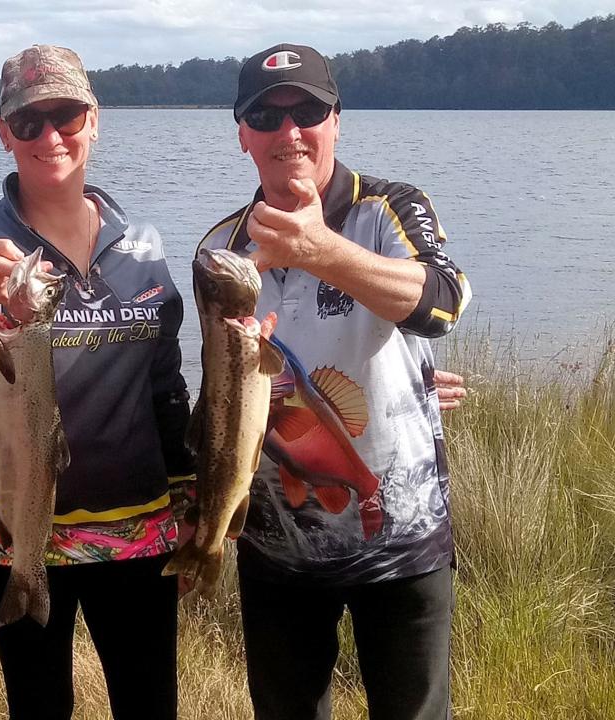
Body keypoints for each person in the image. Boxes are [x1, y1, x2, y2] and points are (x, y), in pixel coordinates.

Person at [197, 43, 471, 720]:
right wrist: (199, 502)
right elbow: (219, 393)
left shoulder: (391, 208)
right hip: (276, 549)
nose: (288, 130)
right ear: (242, 134)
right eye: (266, 114)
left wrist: (320, 251)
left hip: (403, 546)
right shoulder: (220, 251)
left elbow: (442, 302)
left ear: (337, 121)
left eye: (307, 111)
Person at [0, 45, 191, 720]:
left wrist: (188, 496)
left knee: (149, 704)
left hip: (137, 532)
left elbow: (165, 384)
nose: (50, 136)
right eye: (29, 121)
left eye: (66, 115)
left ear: (94, 121)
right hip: (10, 532)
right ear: (4, 132)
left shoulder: (142, 244)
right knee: (38, 707)